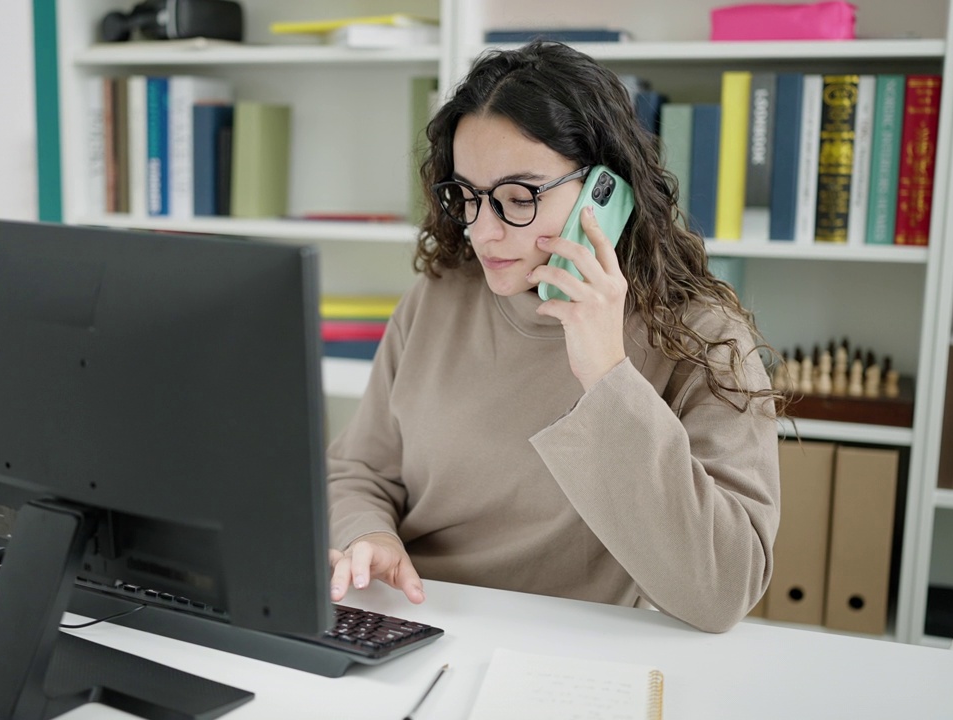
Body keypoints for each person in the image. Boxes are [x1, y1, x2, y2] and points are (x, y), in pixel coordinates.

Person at [326, 40, 781, 633]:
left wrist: (606, 375)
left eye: (519, 198)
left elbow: (723, 591)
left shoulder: (706, 340)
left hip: (562, 649)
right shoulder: (439, 297)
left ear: (605, 192)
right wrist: (370, 535)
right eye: (466, 196)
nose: (483, 232)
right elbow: (359, 469)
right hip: (413, 618)